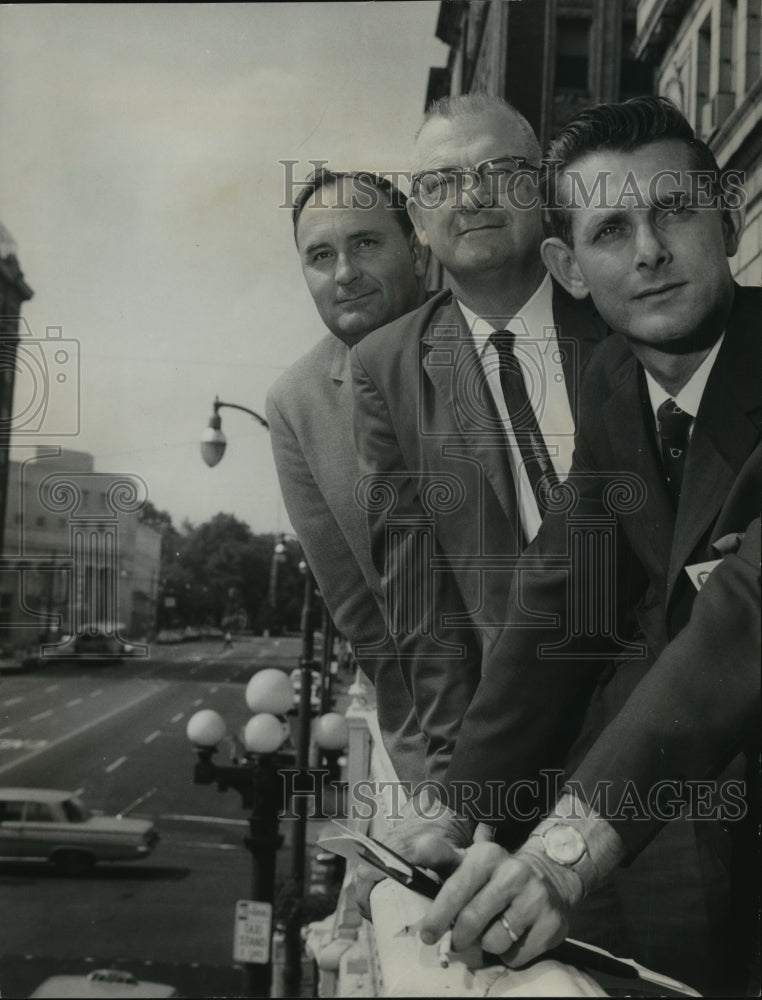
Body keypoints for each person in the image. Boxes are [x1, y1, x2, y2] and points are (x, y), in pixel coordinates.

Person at [399, 96, 760, 994]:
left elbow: (744, 620)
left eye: (674, 210)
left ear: (730, 216)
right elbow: (566, 604)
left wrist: (560, 855)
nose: (647, 251)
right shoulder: (615, 385)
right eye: (610, 228)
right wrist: (451, 814)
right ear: (567, 264)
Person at [350, 93, 607, 783]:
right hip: (511, 750)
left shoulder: (618, 311)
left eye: (499, 169)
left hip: (662, 732)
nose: (473, 196)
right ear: (418, 227)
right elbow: (420, 602)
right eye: (440, 182)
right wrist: (453, 784)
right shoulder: (385, 369)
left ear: (543, 190)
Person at [266, 170, 429, 783]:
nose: (344, 273)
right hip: (433, 750)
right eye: (321, 256)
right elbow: (366, 623)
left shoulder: (486, 346)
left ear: (415, 248)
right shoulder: (297, 403)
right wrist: (434, 785)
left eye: (366, 243)